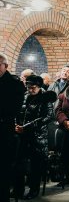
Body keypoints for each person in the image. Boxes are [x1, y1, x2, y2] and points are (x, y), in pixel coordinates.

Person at [13, 75, 56, 200]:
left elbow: (48, 117)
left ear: (39, 86)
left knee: (34, 166)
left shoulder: (45, 98)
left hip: (37, 137)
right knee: (19, 164)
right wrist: (16, 124)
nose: (30, 90)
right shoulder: (25, 96)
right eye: (28, 87)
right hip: (22, 135)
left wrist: (27, 127)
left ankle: (33, 190)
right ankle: (18, 190)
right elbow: (18, 111)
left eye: (33, 87)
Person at [0, 52, 24, 201]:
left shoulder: (15, 83)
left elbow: (13, 108)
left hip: (4, 130)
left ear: (5, 66)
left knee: (3, 167)